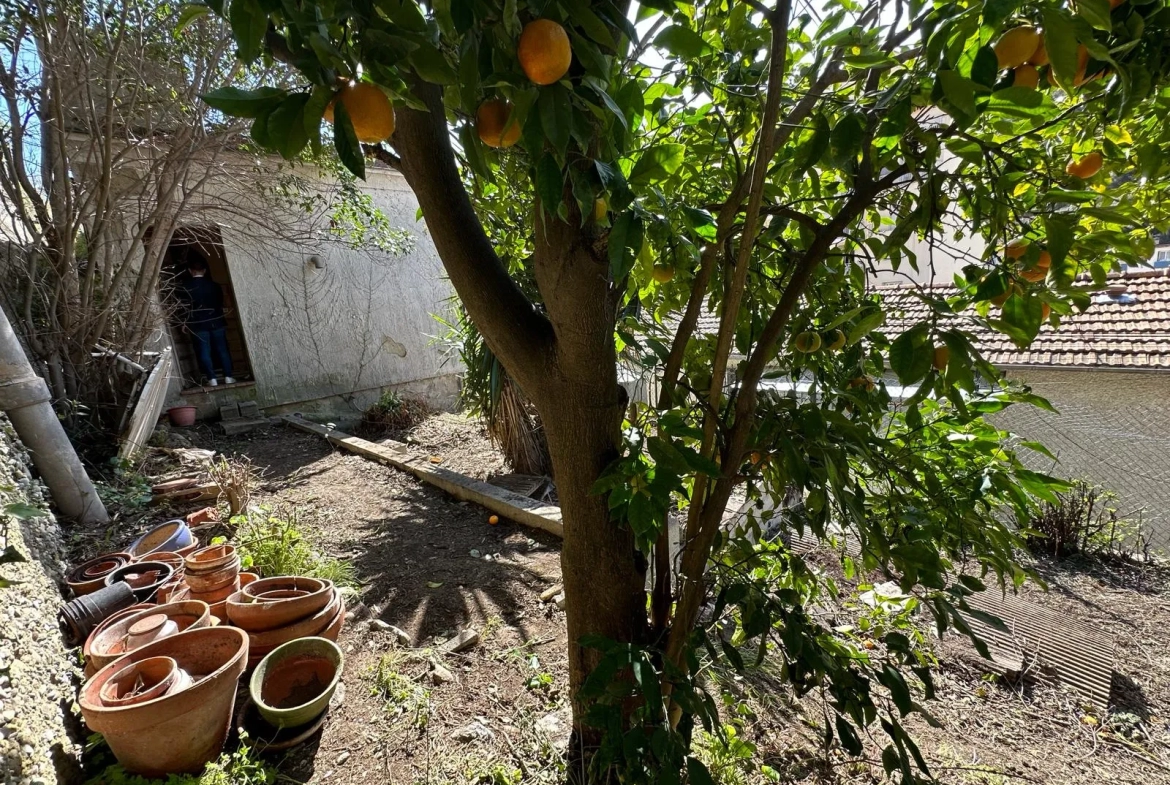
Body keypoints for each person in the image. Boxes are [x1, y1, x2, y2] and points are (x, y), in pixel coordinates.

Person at [178, 250, 235, 386]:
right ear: (204, 270)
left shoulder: (185, 287)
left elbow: (184, 307)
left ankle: (212, 378)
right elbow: (220, 303)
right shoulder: (214, 286)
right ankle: (228, 376)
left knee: (204, 350)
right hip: (216, 320)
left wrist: (185, 322)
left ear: (190, 271)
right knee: (222, 349)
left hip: (198, 322)